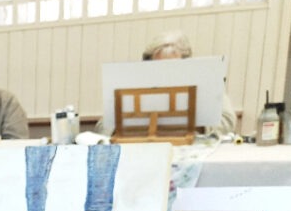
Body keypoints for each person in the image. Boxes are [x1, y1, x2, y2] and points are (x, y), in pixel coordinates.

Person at [95, 30, 237, 137]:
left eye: (174, 68)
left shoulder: (204, 84)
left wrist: (195, 125)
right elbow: (102, 127)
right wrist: (130, 124)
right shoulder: (135, 87)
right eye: (159, 68)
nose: (167, 75)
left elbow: (228, 122)